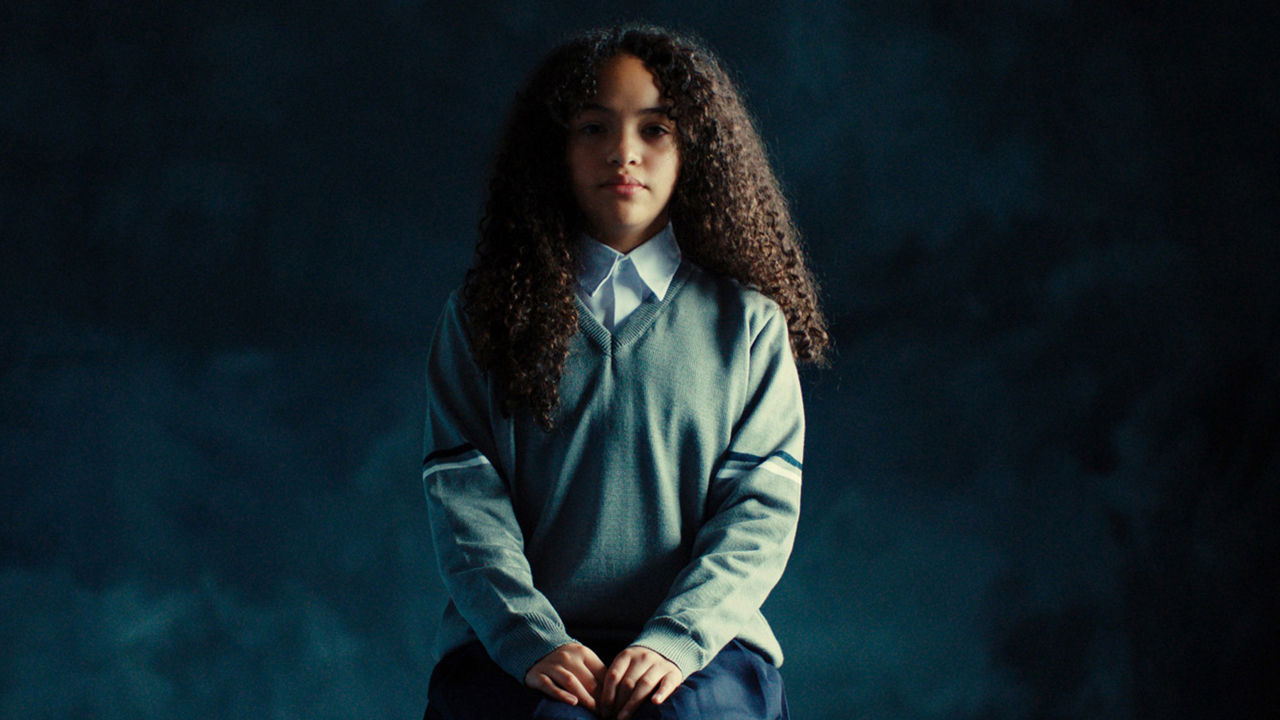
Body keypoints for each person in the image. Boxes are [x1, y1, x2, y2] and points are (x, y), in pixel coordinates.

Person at [420, 24, 829, 720]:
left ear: (694, 149)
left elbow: (757, 514)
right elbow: (465, 504)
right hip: (516, 646)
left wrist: (675, 641)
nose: (623, 152)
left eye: (657, 129)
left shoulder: (749, 326)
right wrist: (531, 640)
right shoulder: (482, 317)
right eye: (592, 127)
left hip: (707, 646)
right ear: (555, 148)